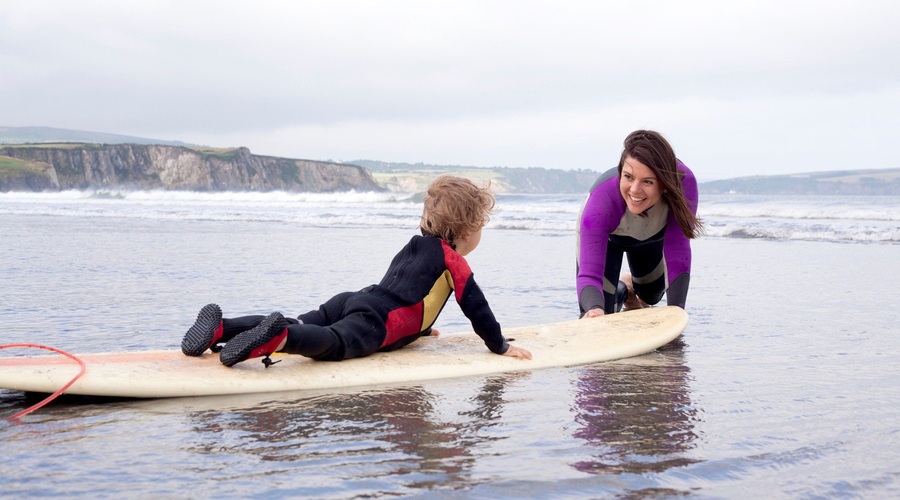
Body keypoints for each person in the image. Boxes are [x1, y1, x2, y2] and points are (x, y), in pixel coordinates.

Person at [181, 175, 533, 367]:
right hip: (376, 320)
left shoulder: (414, 245)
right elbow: (476, 308)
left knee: (303, 321)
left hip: (354, 299)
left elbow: (407, 288)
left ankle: (222, 328)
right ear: (469, 229)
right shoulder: (453, 260)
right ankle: (279, 340)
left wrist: (421, 330)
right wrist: (498, 345)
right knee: (337, 343)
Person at [577, 130, 702, 318]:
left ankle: (633, 286)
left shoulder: (684, 183)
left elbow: (678, 249)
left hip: (652, 238)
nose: (635, 190)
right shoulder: (601, 201)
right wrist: (594, 309)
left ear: (665, 184)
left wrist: (675, 314)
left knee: (651, 296)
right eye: (628, 177)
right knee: (602, 314)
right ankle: (623, 289)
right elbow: (589, 275)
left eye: (648, 181)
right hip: (609, 241)